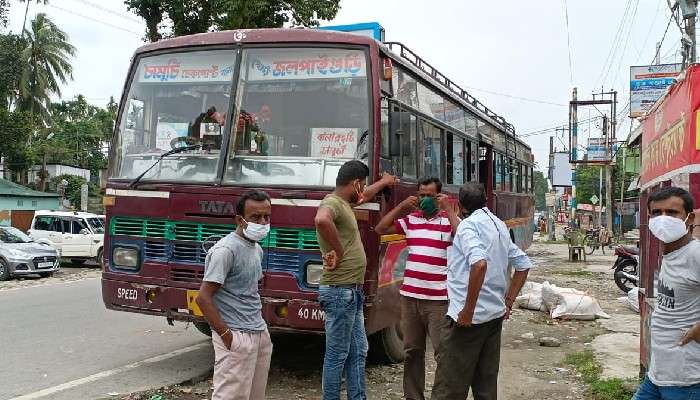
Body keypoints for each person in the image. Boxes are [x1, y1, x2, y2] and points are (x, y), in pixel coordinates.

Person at [431, 182, 533, 400]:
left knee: (449, 387)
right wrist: (508, 302)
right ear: (485, 201)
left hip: (468, 321)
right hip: (493, 317)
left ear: (460, 205)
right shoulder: (498, 225)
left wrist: (468, 310)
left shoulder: (468, 227)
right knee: (485, 387)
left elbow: (479, 264)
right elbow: (523, 264)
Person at [314, 160, 397, 400]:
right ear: (355, 183)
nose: (363, 191)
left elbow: (364, 196)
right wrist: (338, 251)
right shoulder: (332, 203)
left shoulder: (344, 202)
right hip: (340, 292)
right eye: (362, 185)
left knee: (359, 350)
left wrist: (385, 181)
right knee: (337, 354)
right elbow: (321, 220)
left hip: (352, 293)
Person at [374, 177, 460, 400]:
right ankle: (413, 396)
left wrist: (448, 209)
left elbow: (462, 234)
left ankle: (441, 396)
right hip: (410, 298)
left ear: (439, 196)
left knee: (443, 353)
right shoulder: (411, 220)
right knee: (413, 352)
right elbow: (380, 228)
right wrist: (402, 206)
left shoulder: (446, 221)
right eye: (421, 195)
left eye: (430, 196)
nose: (424, 199)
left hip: (438, 300)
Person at [195, 190, 273, 400]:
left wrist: (261, 331)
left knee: (255, 396)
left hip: (258, 333)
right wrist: (227, 336)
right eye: (256, 217)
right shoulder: (225, 251)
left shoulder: (256, 249)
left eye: (267, 216)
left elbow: (250, 290)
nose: (263, 222)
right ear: (240, 219)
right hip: (236, 336)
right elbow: (203, 298)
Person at [632, 186, 700, 399]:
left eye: (671, 213)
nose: (663, 219)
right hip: (657, 375)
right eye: (656, 213)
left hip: (686, 381)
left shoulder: (695, 254)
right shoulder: (670, 253)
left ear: (689, 219)